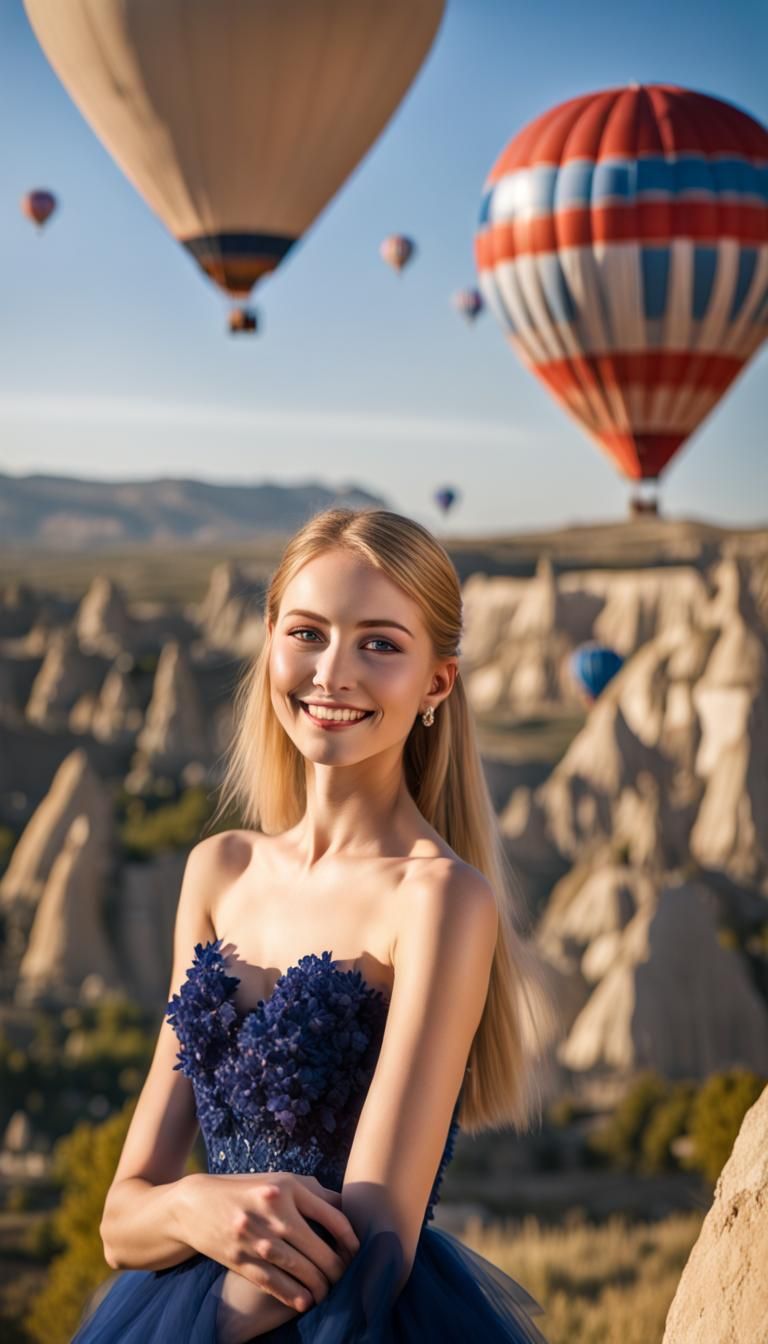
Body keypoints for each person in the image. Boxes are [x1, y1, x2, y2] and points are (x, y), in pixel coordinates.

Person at [71, 507, 555, 1343]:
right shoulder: (219, 869)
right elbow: (123, 1219)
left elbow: (372, 1240)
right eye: (307, 633)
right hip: (181, 1301)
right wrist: (194, 1205)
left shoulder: (439, 898)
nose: (333, 673)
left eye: (379, 643)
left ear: (436, 683)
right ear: (269, 646)